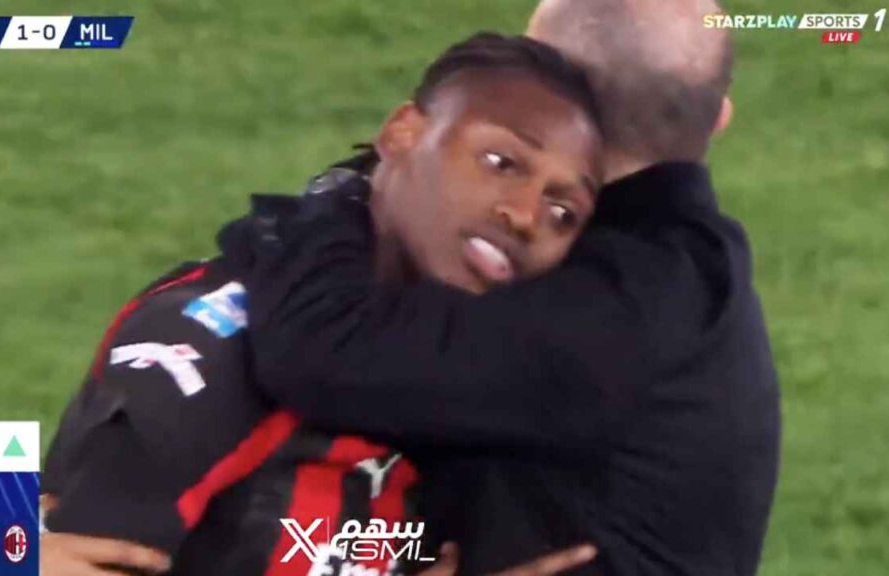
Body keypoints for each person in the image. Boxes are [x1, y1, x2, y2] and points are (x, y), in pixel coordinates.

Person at [229, 0, 781, 574]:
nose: (523, 216)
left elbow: (323, 344)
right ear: (719, 117)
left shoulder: (618, 302)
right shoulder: (678, 276)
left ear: (558, 88)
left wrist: (333, 200)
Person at [41, 33, 603, 576]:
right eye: (501, 162)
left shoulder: (476, 395)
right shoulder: (207, 352)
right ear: (402, 133)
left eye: (563, 213)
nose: (525, 216)